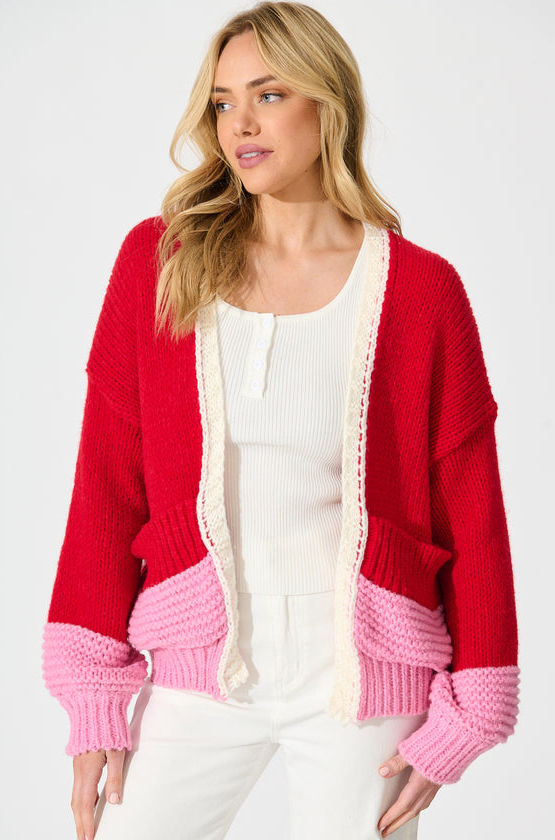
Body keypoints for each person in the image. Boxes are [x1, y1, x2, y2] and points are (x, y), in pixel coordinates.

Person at [42, 3, 520, 839]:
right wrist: (92, 693)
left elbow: (472, 510)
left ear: (329, 103)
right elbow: (107, 483)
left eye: (268, 95)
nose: (240, 124)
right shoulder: (161, 264)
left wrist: (473, 708)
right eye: (223, 102)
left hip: (362, 681)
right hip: (197, 667)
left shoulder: (421, 291)